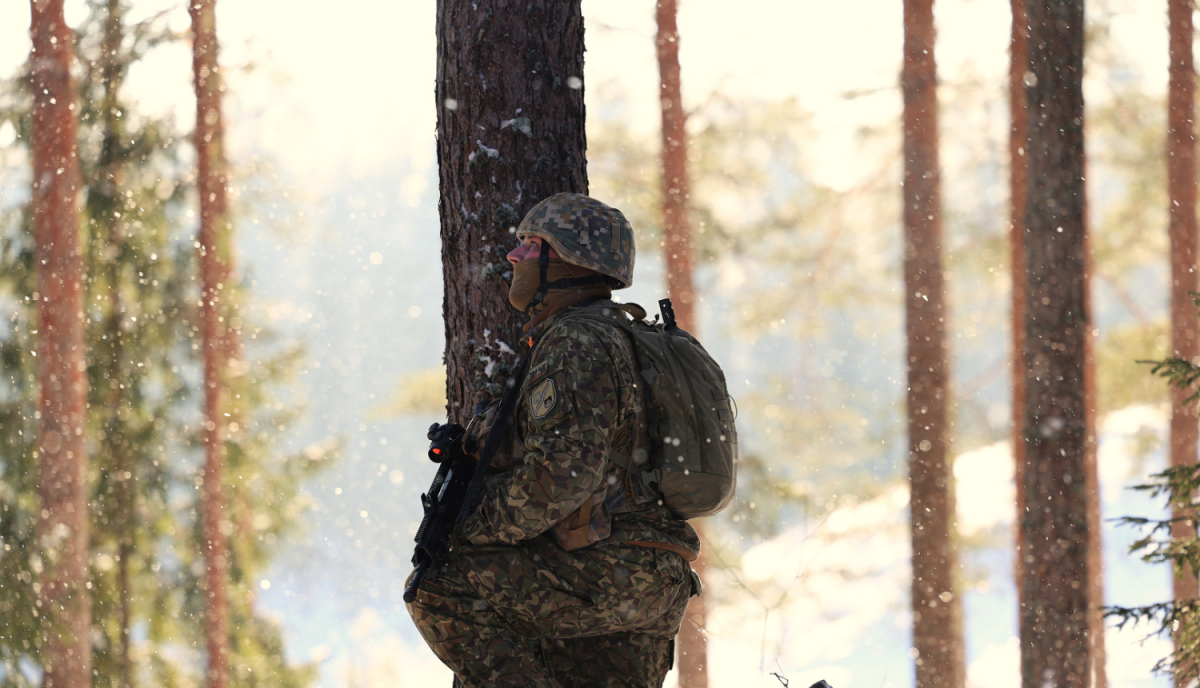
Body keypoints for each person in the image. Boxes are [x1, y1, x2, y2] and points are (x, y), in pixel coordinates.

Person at [406, 193, 701, 688]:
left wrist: (469, 524)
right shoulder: (623, 335)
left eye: (530, 246)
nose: (513, 257)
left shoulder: (575, 341)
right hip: (652, 576)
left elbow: (559, 478)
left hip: (608, 572)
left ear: (568, 261)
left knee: (440, 584)